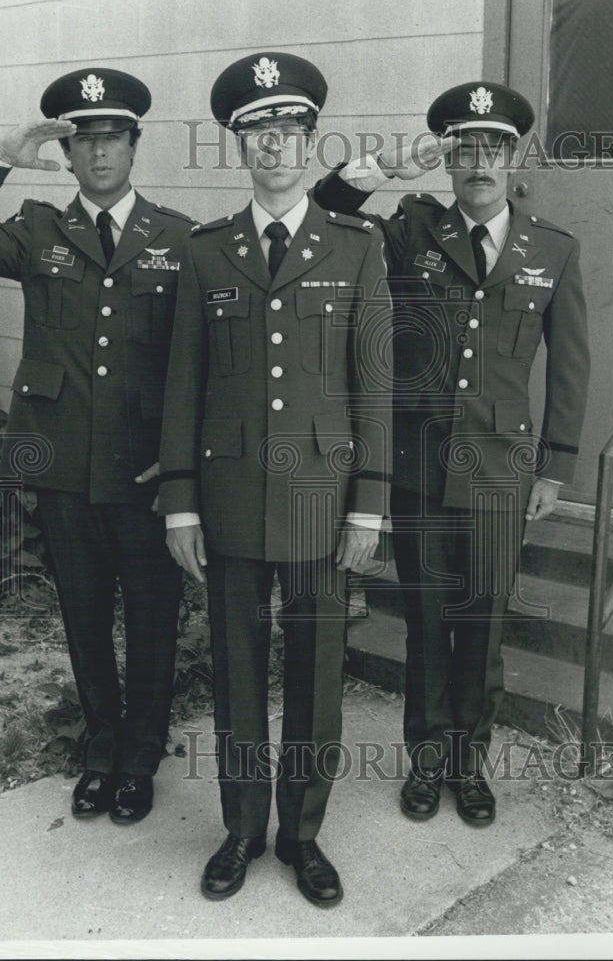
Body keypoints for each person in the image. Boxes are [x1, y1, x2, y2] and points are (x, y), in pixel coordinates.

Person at [313, 81, 590, 826]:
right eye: (464, 148)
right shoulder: (408, 232)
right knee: (429, 623)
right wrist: (380, 168)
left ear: (514, 157)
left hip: (503, 470)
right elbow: (325, 212)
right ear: (447, 160)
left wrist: (556, 468)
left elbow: (570, 367)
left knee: (484, 622)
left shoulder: (552, 250)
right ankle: (427, 764)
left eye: (493, 147)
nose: (479, 162)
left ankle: (471, 765)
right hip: (422, 465)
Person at [156, 52, 391, 906]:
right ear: (241, 147)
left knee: (318, 673)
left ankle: (302, 835)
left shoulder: (359, 246)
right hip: (226, 500)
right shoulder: (207, 252)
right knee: (237, 669)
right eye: (258, 134)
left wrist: (372, 505)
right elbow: (186, 381)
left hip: (326, 501)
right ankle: (241, 830)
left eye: (289, 132)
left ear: (311, 140)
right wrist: (179, 500)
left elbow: (375, 384)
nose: (275, 149)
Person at [0, 67, 195, 825]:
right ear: (69, 154)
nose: (100, 153)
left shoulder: (178, 239)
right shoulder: (39, 232)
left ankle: (142, 754)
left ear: (135, 148)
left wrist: (180, 460)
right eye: (84, 140)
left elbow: (202, 362)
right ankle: (101, 748)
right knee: (83, 614)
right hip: (60, 461)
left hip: (145, 470)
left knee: (152, 615)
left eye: (113, 137)